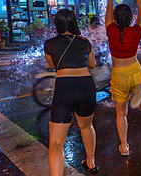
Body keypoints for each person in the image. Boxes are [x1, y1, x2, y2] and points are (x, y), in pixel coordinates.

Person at [105, 0, 141, 156]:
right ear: (131, 18)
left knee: (121, 113)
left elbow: (108, 8)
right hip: (134, 69)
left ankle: (124, 147)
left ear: (115, 18)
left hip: (118, 73)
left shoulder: (110, 29)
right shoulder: (137, 31)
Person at [44, 9, 98, 175]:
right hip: (85, 86)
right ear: (74, 23)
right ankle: (91, 163)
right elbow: (92, 65)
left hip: (65, 87)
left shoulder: (49, 44)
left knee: (56, 142)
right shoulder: (84, 42)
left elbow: (52, 65)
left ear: (57, 24)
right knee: (86, 126)